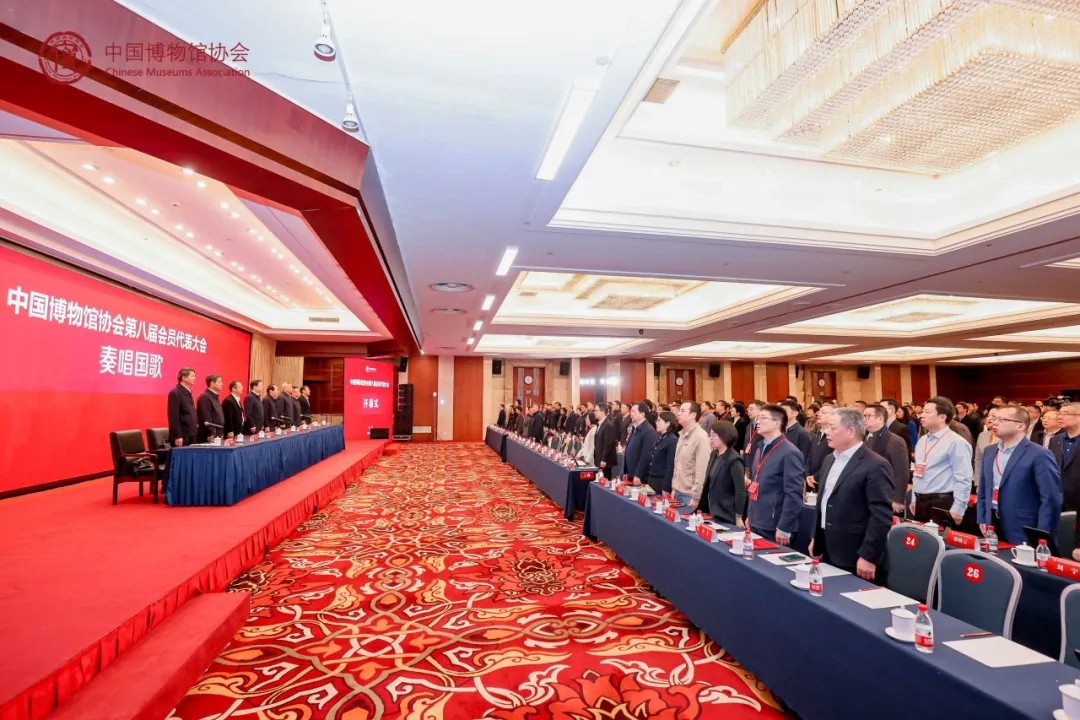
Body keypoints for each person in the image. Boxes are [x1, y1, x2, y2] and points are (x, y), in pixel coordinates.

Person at [808, 408, 893, 581]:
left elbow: (881, 515)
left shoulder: (875, 464)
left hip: (856, 553)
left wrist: (868, 555)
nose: (827, 432)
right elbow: (823, 502)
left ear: (851, 431)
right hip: (827, 547)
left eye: (832, 428)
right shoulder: (829, 459)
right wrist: (815, 538)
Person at [977, 404, 1062, 545]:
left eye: (1001, 419)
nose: (994, 422)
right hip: (992, 522)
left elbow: (1050, 498)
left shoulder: (1039, 454)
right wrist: (982, 517)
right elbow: (984, 488)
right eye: (993, 418)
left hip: (1023, 526)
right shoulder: (990, 451)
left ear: (1020, 426)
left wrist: (1042, 534)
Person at [747, 403, 805, 546]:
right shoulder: (760, 448)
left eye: (762, 418)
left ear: (776, 423)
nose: (757, 422)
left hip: (774, 525)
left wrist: (784, 527)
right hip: (757, 519)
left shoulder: (790, 452)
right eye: (757, 418)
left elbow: (794, 493)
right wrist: (750, 515)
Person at [910, 397, 972, 523]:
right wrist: (914, 498)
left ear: (942, 417)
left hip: (942, 502)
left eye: (927, 412)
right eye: (923, 411)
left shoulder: (956, 442)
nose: (922, 415)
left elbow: (963, 478)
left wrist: (958, 509)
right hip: (920, 502)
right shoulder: (922, 440)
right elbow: (918, 472)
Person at [695, 421, 747, 526]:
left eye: (714, 435)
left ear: (725, 436)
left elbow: (740, 491)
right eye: (710, 435)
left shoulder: (734, 460)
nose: (711, 438)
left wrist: (738, 516)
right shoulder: (714, 454)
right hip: (711, 510)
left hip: (726, 513)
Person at [863, 404, 910, 515]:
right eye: (863, 416)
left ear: (880, 419)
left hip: (885, 493)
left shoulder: (894, 440)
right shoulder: (863, 437)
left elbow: (901, 471)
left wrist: (898, 499)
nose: (864, 419)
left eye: (868, 416)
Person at [1050, 403, 1080, 560]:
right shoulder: (1055, 440)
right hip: (1056, 500)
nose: (1060, 417)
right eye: (1059, 413)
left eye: (1066, 413)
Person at [671, 402, 711, 507]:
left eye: (682, 411)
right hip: (678, 491)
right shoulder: (682, 434)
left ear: (693, 415)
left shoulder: (701, 437)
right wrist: (675, 488)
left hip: (690, 496)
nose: (678, 413)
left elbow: (702, 471)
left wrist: (696, 497)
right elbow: (678, 464)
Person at [623, 402, 658, 485]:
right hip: (631, 472)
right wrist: (625, 470)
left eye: (633, 411)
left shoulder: (649, 431)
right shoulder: (634, 427)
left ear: (642, 414)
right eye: (631, 411)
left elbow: (646, 455)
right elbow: (628, 449)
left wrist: (638, 474)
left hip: (639, 476)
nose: (631, 414)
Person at [644, 411, 678, 495]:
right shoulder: (659, 437)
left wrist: (666, 487)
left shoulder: (672, 440)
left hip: (661, 481)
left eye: (659, 421)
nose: (656, 423)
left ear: (667, 423)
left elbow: (670, 466)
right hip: (652, 478)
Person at [805, 403, 835, 490]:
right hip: (811, 480)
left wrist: (816, 477)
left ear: (833, 416)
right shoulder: (817, 434)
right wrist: (807, 475)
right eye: (819, 412)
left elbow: (833, 461)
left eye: (823, 412)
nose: (819, 414)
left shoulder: (834, 436)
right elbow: (809, 456)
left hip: (826, 480)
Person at [167, 367, 198, 447]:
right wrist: (177, 435)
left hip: (192, 433)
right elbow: (173, 416)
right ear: (184, 378)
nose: (195, 378)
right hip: (182, 436)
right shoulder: (175, 393)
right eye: (192, 376)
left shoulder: (188, 392)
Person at [973, 407, 1001, 485]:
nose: (989, 418)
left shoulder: (1008, 436)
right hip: (985, 479)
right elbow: (978, 460)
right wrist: (978, 483)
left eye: (993, 416)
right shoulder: (982, 435)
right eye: (988, 415)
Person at [592, 404, 619, 479]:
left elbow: (608, 444)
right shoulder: (600, 424)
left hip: (605, 460)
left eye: (596, 410)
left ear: (603, 412)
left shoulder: (608, 425)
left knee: (605, 479)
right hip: (599, 457)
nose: (595, 412)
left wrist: (604, 459)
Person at [196, 374, 225, 443]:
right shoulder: (205, 397)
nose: (222, 384)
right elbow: (206, 417)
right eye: (219, 382)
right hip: (209, 435)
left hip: (217, 433)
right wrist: (211, 433)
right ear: (212, 383)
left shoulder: (215, 397)